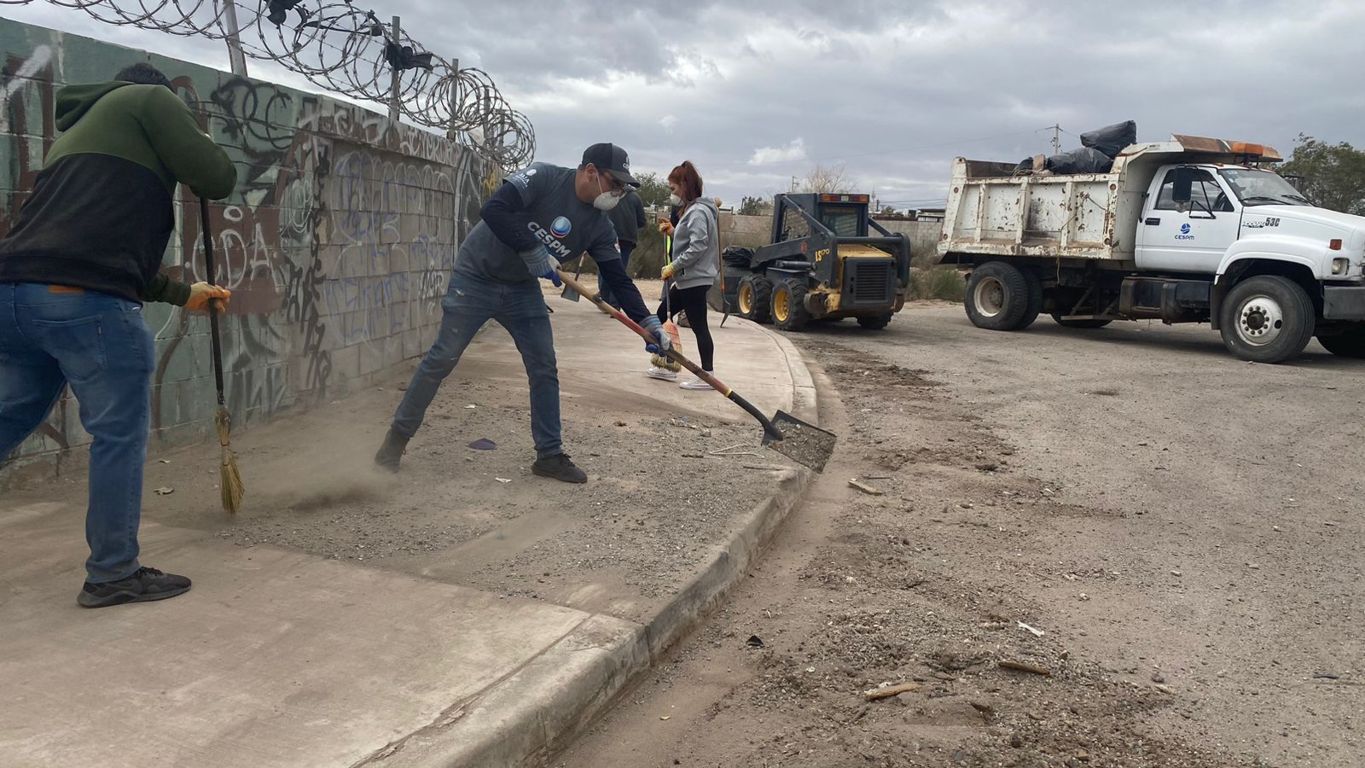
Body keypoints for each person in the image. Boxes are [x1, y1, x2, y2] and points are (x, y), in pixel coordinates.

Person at [0, 63, 237, 608]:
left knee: (9, 416)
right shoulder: (152, 100)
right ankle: (112, 572)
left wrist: (185, 293)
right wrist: (197, 137)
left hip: (14, 296)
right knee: (118, 434)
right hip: (83, 304)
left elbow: (93, 254)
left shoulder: (74, 138)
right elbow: (218, 178)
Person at [375, 143, 670, 483]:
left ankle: (549, 455)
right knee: (442, 358)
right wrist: (532, 249)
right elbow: (495, 209)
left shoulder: (599, 226)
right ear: (591, 172)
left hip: (520, 290)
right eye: (615, 183)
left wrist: (647, 320)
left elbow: (617, 278)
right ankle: (394, 443)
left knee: (544, 366)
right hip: (477, 276)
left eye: (623, 188)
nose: (618, 193)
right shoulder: (544, 177)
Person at [646, 162, 719, 389]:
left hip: (695, 278)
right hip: (687, 278)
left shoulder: (697, 212)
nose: (672, 194)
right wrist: (674, 231)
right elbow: (690, 240)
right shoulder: (692, 210)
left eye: (673, 189)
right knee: (661, 314)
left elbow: (698, 247)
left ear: (685, 185)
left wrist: (674, 266)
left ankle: (707, 375)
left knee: (699, 326)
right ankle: (667, 363)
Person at [597, 187, 646, 309]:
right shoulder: (635, 197)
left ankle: (608, 301)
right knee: (619, 269)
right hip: (626, 239)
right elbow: (641, 221)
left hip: (609, 238)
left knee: (604, 267)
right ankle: (613, 303)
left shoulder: (606, 195)